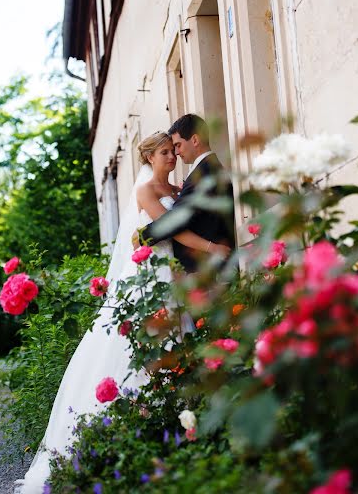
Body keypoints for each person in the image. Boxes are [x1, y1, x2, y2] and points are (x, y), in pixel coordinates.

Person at [14, 131, 229, 493]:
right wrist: (212, 247)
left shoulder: (176, 189)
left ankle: (180, 421)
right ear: (149, 158)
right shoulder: (145, 190)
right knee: (142, 343)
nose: (171, 157)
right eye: (164, 152)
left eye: (172, 152)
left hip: (170, 276)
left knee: (176, 340)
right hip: (149, 277)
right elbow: (173, 230)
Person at [137, 114, 235, 274]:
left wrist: (142, 235)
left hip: (206, 265)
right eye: (165, 152)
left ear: (195, 140)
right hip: (172, 264)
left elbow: (177, 220)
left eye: (176, 146)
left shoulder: (205, 173)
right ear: (150, 158)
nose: (174, 154)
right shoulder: (206, 170)